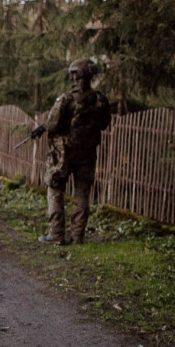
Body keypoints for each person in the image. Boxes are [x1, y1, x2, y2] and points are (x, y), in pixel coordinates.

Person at [39, 58, 112, 245]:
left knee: (55, 190)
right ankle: (77, 235)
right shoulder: (100, 100)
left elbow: (53, 125)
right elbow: (104, 124)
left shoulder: (66, 100)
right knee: (82, 195)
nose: (73, 80)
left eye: (75, 76)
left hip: (63, 154)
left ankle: (56, 234)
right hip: (87, 154)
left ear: (79, 77)